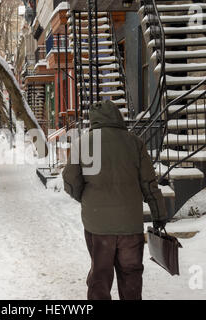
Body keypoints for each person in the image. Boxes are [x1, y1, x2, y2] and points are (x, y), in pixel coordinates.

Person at [62, 100, 168, 300]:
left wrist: (86, 198)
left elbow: (70, 180)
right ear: (117, 117)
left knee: (100, 277)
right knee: (131, 275)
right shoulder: (135, 143)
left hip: (98, 226)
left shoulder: (83, 143)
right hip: (130, 225)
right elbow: (149, 183)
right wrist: (159, 214)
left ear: (93, 120)